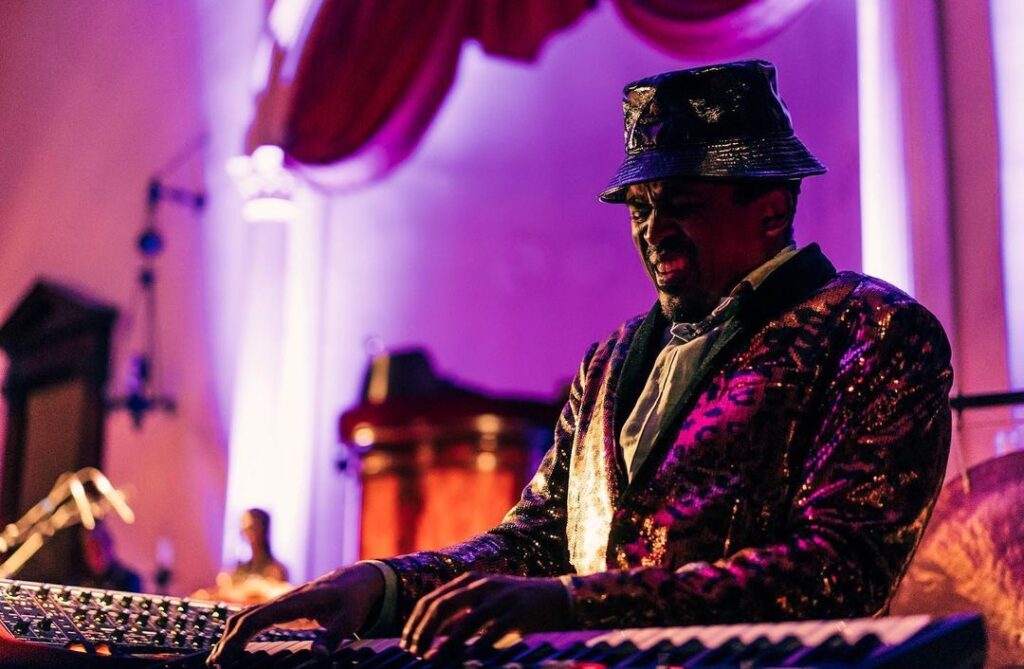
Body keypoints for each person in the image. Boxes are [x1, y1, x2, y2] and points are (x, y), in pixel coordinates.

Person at [210, 60, 952, 665]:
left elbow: (837, 570)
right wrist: (380, 584)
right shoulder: (611, 359)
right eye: (639, 206)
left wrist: (573, 604)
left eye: (682, 202)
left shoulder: (877, 331)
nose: (653, 229)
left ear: (771, 207)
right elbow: (533, 541)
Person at [193, 508, 292, 605]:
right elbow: (224, 591)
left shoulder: (276, 569)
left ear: (263, 529)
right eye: (244, 527)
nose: (246, 531)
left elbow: (275, 598)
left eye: (252, 527)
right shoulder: (239, 568)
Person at [77, 522, 143, 593]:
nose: (94, 554)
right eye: (89, 549)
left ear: (109, 547)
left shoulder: (129, 579)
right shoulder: (79, 579)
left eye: (98, 548)